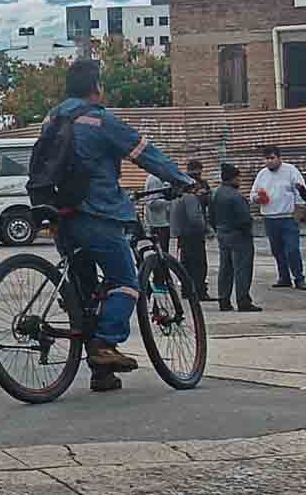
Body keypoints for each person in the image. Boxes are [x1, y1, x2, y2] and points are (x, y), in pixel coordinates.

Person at [47, 60, 194, 393]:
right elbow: (147, 155)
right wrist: (183, 180)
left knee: (87, 296)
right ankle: (105, 344)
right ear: (96, 87)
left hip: (60, 218)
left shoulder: (51, 119)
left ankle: (102, 373)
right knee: (126, 283)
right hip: (98, 214)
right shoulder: (100, 120)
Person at [250, 146, 306, 290]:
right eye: (267, 159)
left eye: (272, 158)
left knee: (292, 249)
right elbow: (252, 195)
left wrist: (298, 215)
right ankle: (284, 277)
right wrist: (258, 198)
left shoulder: (291, 171)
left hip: (288, 217)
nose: (269, 161)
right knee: (277, 250)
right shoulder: (262, 174)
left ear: (279, 158)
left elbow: (300, 192)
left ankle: (299, 278)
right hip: (270, 218)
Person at [212, 164, 260, 312]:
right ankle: (243, 300)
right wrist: (247, 232)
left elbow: (211, 216)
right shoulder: (236, 196)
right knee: (242, 269)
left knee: (225, 268)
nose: (240, 180)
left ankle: (224, 300)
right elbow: (244, 220)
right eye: (238, 177)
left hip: (222, 233)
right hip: (239, 236)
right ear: (233, 178)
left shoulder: (216, 193)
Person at [170, 180, 209, 300]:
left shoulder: (177, 198)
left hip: (182, 235)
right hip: (193, 235)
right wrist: (207, 228)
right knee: (198, 264)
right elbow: (195, 218)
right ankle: (199, 291)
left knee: (186, 264)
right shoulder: (191, 198)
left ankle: (187, 290)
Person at [144, 173, 172, 254]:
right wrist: (170, 202)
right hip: (159, 223)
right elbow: (152, 203)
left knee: (163, 252)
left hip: (162, 222)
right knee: (162, 254)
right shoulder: (154, 179)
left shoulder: (160, 178)